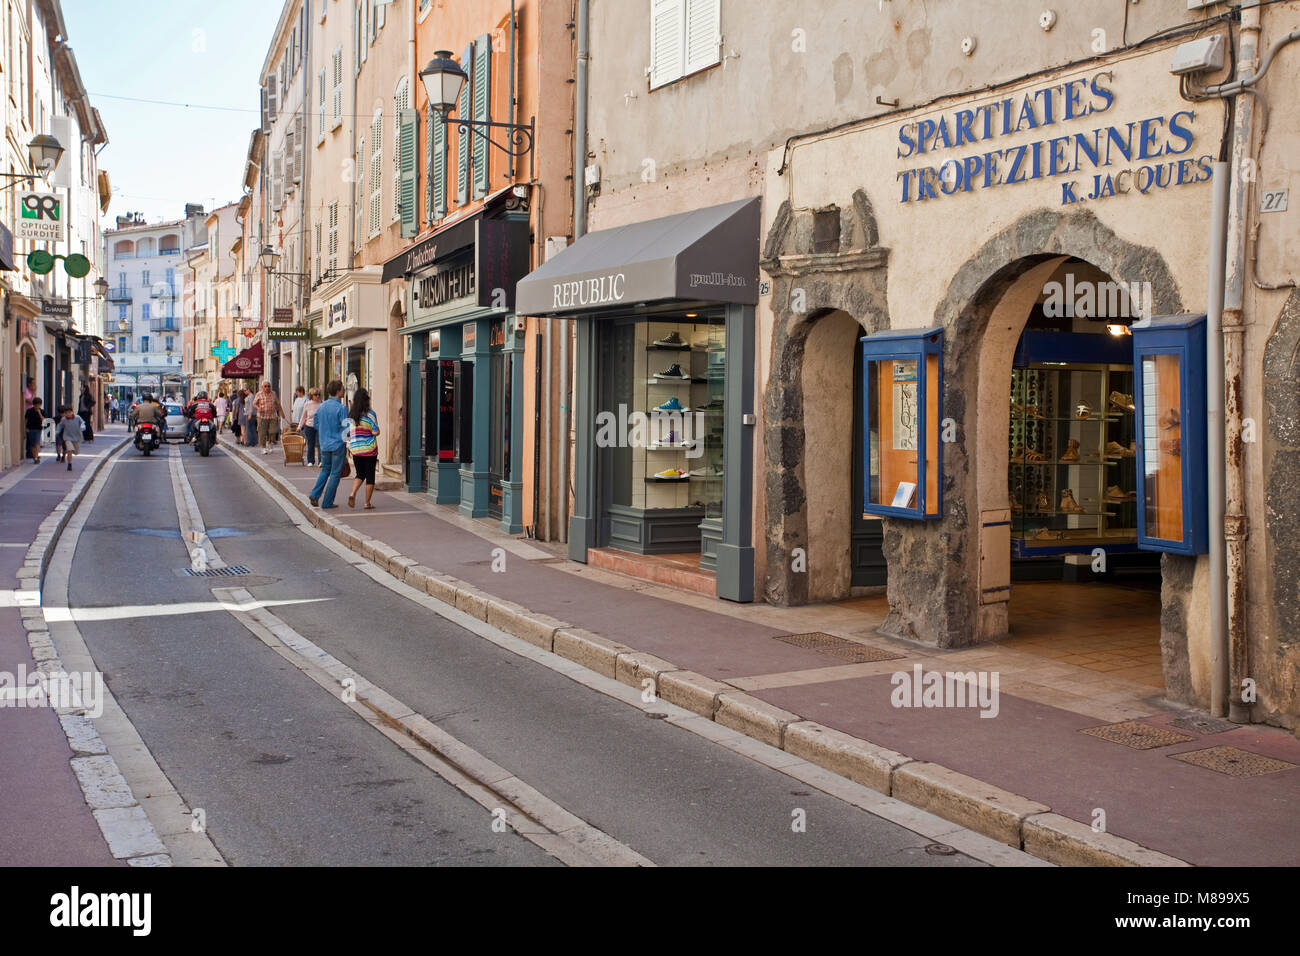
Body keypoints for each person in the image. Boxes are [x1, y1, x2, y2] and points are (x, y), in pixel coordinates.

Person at [308, 380, 347, 509]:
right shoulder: (341, 408)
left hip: (324, 444)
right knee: (335, 474)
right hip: (337, 444)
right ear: (338, 391)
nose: (344, 390)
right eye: (342, 388)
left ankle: (315, 494)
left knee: (325, 470)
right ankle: (327, 502)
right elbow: (346, 428)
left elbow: (316, 424)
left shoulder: (322, 406)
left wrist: (325, 432)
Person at [345, 388, 380, 509]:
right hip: (369, 449)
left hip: (355, 449)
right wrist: (375, 431)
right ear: (367, 400)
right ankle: (367, 503)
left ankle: (352, 493)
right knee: (370, 476)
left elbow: (347, 433)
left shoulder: (351, 415)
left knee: (359, 474)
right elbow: (375, 432)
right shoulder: (371, 414)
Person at [253, 380, 284, 454]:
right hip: (262, 416)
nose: (267, 388)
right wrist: (258, 408)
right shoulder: (259, 394)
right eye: (265, 386)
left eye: (268, 386)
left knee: (273, 431)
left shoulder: (273, 393)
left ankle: (269, 444)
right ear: (262, 387)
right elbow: (254, 403)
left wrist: (281, 412)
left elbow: (278, 403)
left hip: (273, 415)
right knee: (262, 433)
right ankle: (263, 448)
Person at [298, 387, 322, 466]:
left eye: (319, 394)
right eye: (315, 395)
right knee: (310, 444)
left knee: (320, 444)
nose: (317, 396)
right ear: (311, 395)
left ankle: (320, 461)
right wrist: (299, 427)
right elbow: (303, 417)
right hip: (309, 426)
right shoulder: (307, 404)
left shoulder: (322, 404)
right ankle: (310, 460)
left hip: (319, 426)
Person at [56, 406, 83, 472]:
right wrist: (57, 432)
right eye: (66, 413)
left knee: (76, 452)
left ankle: (73, 453)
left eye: (69, 412)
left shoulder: (77, 418)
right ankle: (69, 464)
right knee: (69, 450)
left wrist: (82, 427)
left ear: (72, 412)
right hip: (67, 437)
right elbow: (60, 426)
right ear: (64, 413)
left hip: (76, 437)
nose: (68, 414)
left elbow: (82, 423)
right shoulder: (63, 419)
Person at [25, 397, 45, 464]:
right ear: (33, 404)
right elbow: (26, 420)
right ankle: (35, 457)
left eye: (39, 405)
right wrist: (25, 428)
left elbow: (43, 420)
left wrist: (39, 413)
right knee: (32, 445)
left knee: (37, 443)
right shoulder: (29, 411)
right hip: (30, 429)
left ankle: (36, 458)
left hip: (38, 429)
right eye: (36, 405)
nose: (37, 406)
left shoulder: (42, 411)